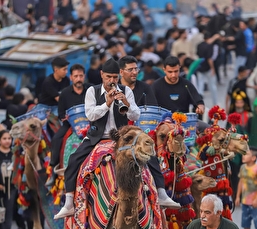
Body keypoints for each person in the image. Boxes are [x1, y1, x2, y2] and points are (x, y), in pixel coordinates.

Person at [54, 59, 179, 219]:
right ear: (101, 75)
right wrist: (107, 103)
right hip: (97, 137)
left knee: (149, 154)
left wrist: (126, 102)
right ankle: (69, 202)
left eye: (114, 77)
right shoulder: (92, 91)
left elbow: (136, 115)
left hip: (122, 137)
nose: (112, 81)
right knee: (73, 159)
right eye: (108, 77)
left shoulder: (126, 91)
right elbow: (90, 115)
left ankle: (161, 193)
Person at [47, 64, 90, 187]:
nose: (78, 79)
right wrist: (65, 118)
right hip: (71, 123)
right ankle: (53, 170)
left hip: (90, 122)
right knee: (56, 138)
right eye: (75, 76)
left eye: (81, 76)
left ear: (84, 76)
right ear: (71, 77)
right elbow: (61, 113)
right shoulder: (65, 93)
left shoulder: (91, 90)